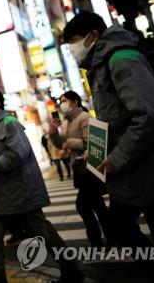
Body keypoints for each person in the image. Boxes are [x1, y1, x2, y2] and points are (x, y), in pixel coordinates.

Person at [63, 11, 154, 282]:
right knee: (145, 232)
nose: (72, 50)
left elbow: (150, 114)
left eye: (75, 41)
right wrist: (101, 151)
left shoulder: (121, 59)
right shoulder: (102, 66)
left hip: (151, 165)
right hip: (136, 169)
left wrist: (117, 157)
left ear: (94, 36)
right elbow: (116, 121)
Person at [0, 88, 84, 283]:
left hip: (21, 190)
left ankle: (72, 271)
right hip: (3, 193)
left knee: (44, 232)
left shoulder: (10, 123)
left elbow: (18, 153)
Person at [49, 91, 110, 247]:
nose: (62, 104)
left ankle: (97, 240)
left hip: (88, 168)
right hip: (80, 169)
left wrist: (68, 143)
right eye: (60, 101)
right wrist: (53, 132)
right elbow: (59, 145)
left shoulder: (84, 117)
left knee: (83, 206)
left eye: (64, 100)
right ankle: (110, 237)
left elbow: (90, 143)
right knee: (97, 205)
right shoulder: (68, 122)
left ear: (75, 102)